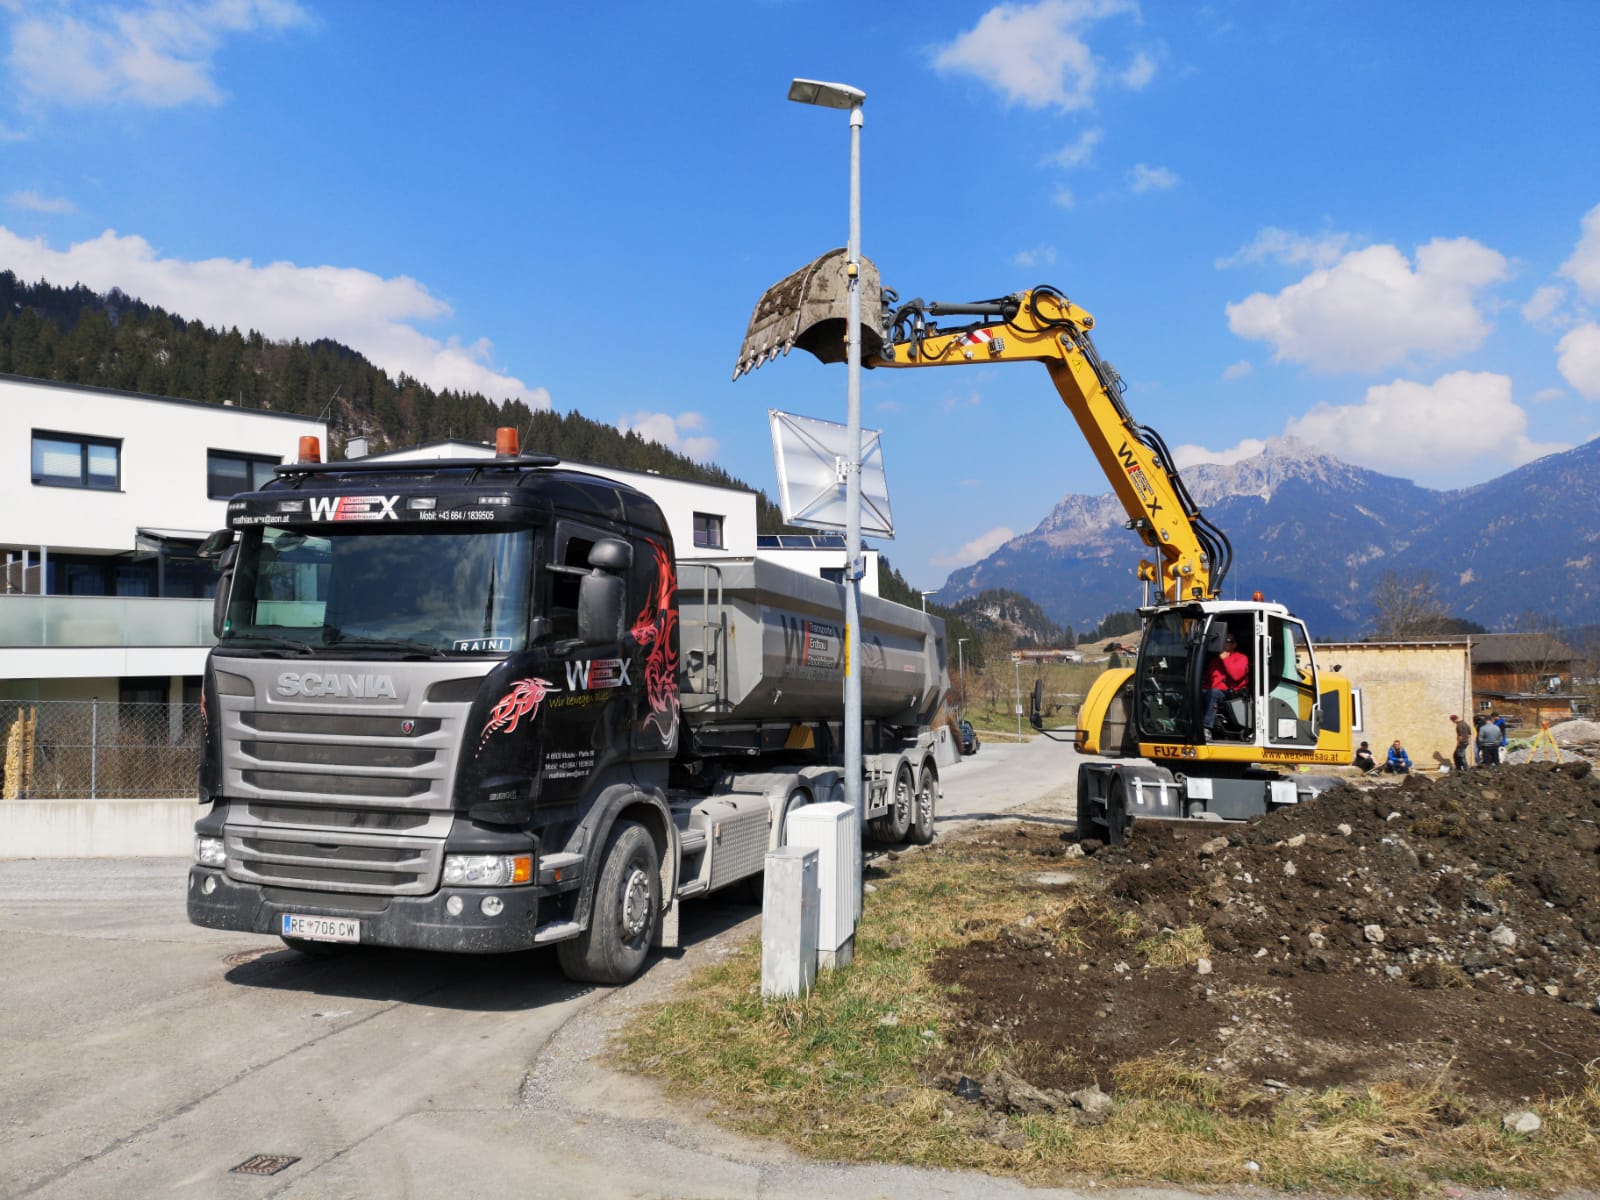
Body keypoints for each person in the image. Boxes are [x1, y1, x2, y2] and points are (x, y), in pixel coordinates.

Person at [1202, 630, 1250, 739]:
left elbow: (1236, 675)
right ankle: (1179, 722)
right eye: (1222, 640)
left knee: (1213, 693)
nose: (1224, 643)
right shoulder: (1214, 660)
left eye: (1227, 640)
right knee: (1193, 692)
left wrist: (1225, 659)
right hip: (1212, 691)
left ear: (1234, 645)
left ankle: (1206, 728)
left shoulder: (1241, 658)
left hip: (1232, 694)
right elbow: (1208, 680)